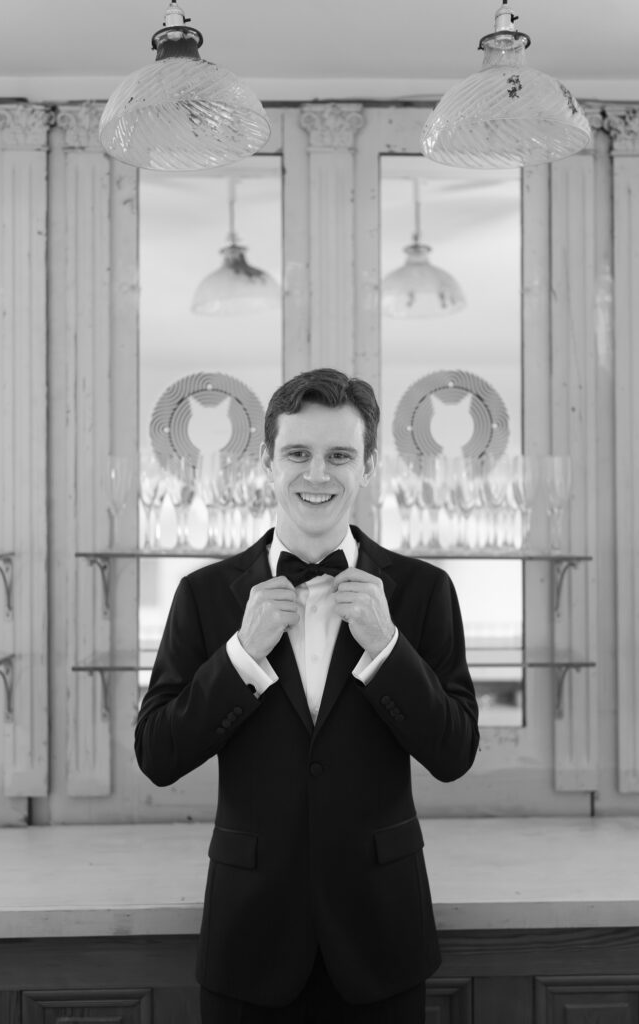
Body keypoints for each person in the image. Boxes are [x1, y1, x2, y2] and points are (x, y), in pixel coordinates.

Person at [135, 367, 479, 1023]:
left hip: (382, 935)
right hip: (249, 934)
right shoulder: (204, 596)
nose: (316, 474)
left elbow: (455, 752)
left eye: (339, 456)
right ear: (267, 461)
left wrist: (386, 648)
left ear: (368, 466)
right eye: (297, 453)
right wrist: (242, 654)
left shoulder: (422, 591)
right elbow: (157, 753)